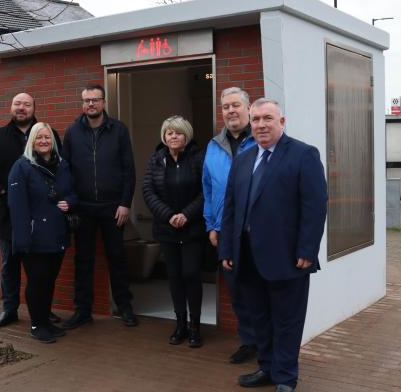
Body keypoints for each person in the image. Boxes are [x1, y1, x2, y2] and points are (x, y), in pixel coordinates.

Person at [219, 98, 327, 392]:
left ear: (282, 122)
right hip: (248, 257)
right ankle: (266, 368)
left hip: (288, 257)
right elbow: (230, 208)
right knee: (259, 319)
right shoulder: (243, 159)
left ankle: (285, 378)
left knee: (287, 321)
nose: (261, 125)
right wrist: (227, 249)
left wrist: (307, 249)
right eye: (255, 120)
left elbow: (315, 207)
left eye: (268, 118)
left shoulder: (303, 155)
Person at [0, 93, 62, 328]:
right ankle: (10, 308)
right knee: (10, 264)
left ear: (34, 108)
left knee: (43, 268)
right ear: (11, 108)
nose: (21, 108)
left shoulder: (48, 135)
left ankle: (43, 310)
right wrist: (3, 191)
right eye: (17, 104)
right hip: (10, 216)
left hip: (44, 216)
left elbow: (60, 167)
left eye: (26, 104)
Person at [61, 85, 138, 329]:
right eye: (86, 100)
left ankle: (124, 307)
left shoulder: (119, 130)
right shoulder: (72, 132)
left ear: (104, 102)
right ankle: (83, 311)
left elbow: (129, 170)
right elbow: (65, 172)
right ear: (82, 104)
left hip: (112, 208)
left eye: (95, 100)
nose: (91, 104)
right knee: (83, 261)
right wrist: (71, 203)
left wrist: (125, 203)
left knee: (117, 258)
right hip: (83, 208)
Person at [202, 87, 258, 363]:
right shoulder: (213, 146)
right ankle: (249, 342)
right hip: (226, 231)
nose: (231, 111)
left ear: (248, 108)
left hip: (257, 230)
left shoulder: (260, 140)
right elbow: (209, 189)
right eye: (225, 107)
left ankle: (267, 343)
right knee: (237, 290)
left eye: (236, 105)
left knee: (261, 288)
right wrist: (212, 225)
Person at [8, 122, 75, 343]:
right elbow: (17, 208)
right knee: (37, 281)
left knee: (49, 281)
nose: (44, 141)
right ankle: (37, 325)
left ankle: (45, 321)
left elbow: (72, 192)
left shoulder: (62, 165)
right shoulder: (22, 166)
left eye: (47, 137)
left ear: (53, 141)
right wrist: (23, 240)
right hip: (34, 237)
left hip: (57, 234)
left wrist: (68, 202)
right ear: (32, 141)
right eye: (39, 137)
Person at [142, 116, 205, 347]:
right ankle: (180, 324)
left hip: (192, 228)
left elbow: (205, 190)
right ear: (164, 136)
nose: (174, 136)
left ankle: (195, 327)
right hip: (166, 229)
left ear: (186, 135)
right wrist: (169, 215)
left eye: (178, 133)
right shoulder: (157, 159)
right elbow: (148, 190)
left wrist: (186, 214)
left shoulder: (199, 157)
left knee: (191, 275)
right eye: (169, 133)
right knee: (175, 277)